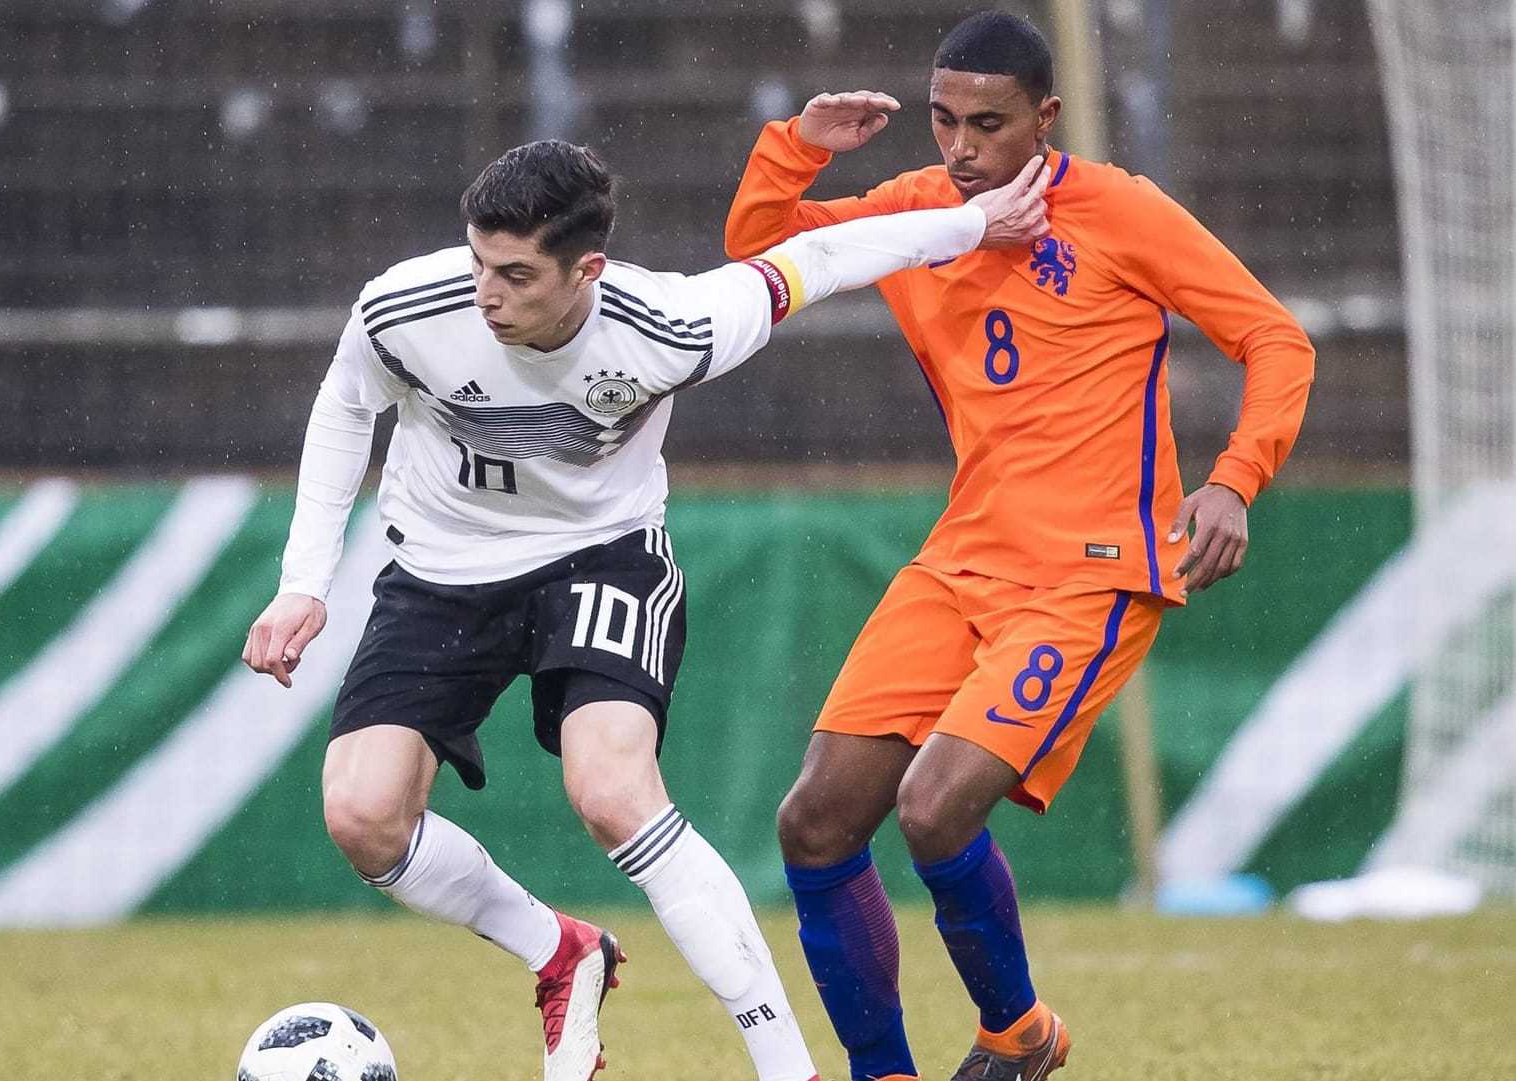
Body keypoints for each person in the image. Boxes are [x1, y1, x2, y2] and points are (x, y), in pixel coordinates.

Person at [242, 138, 1051, 1081]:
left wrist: (972, 224)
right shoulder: (406, 306)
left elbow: (821, 259)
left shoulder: (672, 321)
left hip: (602, 556)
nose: (484, 293)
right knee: (363, 816)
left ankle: (787, 1068)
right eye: (476, 263)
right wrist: (303, 581)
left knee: (614, 794)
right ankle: (562, 952)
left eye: (513, 274)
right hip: (439, 568)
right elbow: (345, 404)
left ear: (586, 270)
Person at [724, 11, 1315, 1081]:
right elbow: (763, 256)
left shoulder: (1117, 210)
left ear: (1045, 118)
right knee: (813, 823)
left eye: (987, 125)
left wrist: (1233, 481)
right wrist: (800, 146)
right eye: (945, 120)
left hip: (1087, 575)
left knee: (935, 805)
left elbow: (1275, 337)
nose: (959, 148)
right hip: (957, 564)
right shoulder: (914, 210)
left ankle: (1017, 1036)